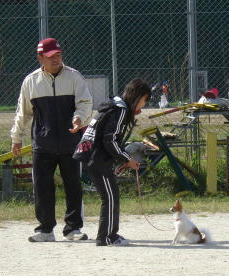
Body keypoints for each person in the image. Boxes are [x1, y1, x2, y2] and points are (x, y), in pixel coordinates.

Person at [11, 38, 93, 242]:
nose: (56, 59)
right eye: (50, 57)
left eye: (58, 55)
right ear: (40, 58)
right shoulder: (31, 81)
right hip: (42, 144)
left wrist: (79, 118)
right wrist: (16, 137)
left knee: (73, 185)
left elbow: (85, 103)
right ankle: (45, 230)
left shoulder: (74, 77)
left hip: (70, 142)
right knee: (42, 187)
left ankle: (73, 229)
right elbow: (23, 113)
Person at [76, 78, 150, 246]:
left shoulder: (114, 106)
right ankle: (107, 237)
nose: (143, 105)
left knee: (111, 195)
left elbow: (107, 139)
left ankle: (110, 234)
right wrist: (127, 159)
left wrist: (120, 159)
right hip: (98, 159)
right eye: (144, 100)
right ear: (137, 97)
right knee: (109, 197)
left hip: (94, 157)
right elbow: (110, 141)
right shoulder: (121, 110)